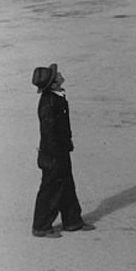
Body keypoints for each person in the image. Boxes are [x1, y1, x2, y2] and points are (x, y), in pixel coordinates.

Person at [31, 64, 94, 238]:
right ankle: (41, 227)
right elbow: (48, 130)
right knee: (50, 189)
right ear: (53, 85)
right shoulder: (49, 102)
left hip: (61, 150)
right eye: (56, 75)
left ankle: (72, 221)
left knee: (67, 185)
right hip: (53, 153)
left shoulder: (57, 97)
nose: (59, 74)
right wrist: (56, 153)